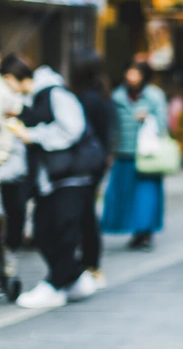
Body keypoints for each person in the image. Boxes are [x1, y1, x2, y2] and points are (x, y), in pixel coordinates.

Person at [2, 55, 105, 309]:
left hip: (71, 175)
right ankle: (73, 280)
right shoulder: (33, 98)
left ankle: (55, 285)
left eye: (6, 81)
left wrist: (33, 135)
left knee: (60, 231)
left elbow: (72, 129)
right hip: (50, 179)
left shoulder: (55, 93)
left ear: (14, 78)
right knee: (44, 231)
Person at [101, 62, 168, 251]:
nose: (131, 77)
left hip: (147, 155)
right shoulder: (117, 96)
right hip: (123, 152)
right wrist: (110, 152)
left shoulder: (155, 96)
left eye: (136, 73)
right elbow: (112, 126)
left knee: (147, 196)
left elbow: (163, 124)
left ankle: (145, 233)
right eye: (129, 72)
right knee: (125, 195)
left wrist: (148, 118)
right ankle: (134, 231)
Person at [68, 51, 113, 288]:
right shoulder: (101, 95)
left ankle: (90, 265)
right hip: (97, 162)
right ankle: (91, 265)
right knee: (87, 214)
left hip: (87, 164)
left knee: (84, 215)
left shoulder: (87, 99)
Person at [0, 71, 30, 279]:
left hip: (10, 161)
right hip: (8, 157)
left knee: (14, 212)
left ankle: (9, 255)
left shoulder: (9, 88)